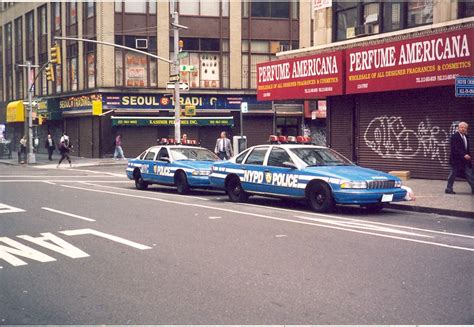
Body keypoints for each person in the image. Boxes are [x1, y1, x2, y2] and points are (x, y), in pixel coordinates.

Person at [445, 122, 474, 195]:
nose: (463, 129)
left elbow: (467, 148)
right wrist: (464, 155)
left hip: (465, 160)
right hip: (456, 160)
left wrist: (469, 157)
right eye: (462, 127)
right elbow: (455, 148)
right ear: (458, 128)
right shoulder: (454, 136)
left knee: (469, 174)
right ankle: (448, 189)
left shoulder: (466, 136)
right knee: (453, 174)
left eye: (465, 128)